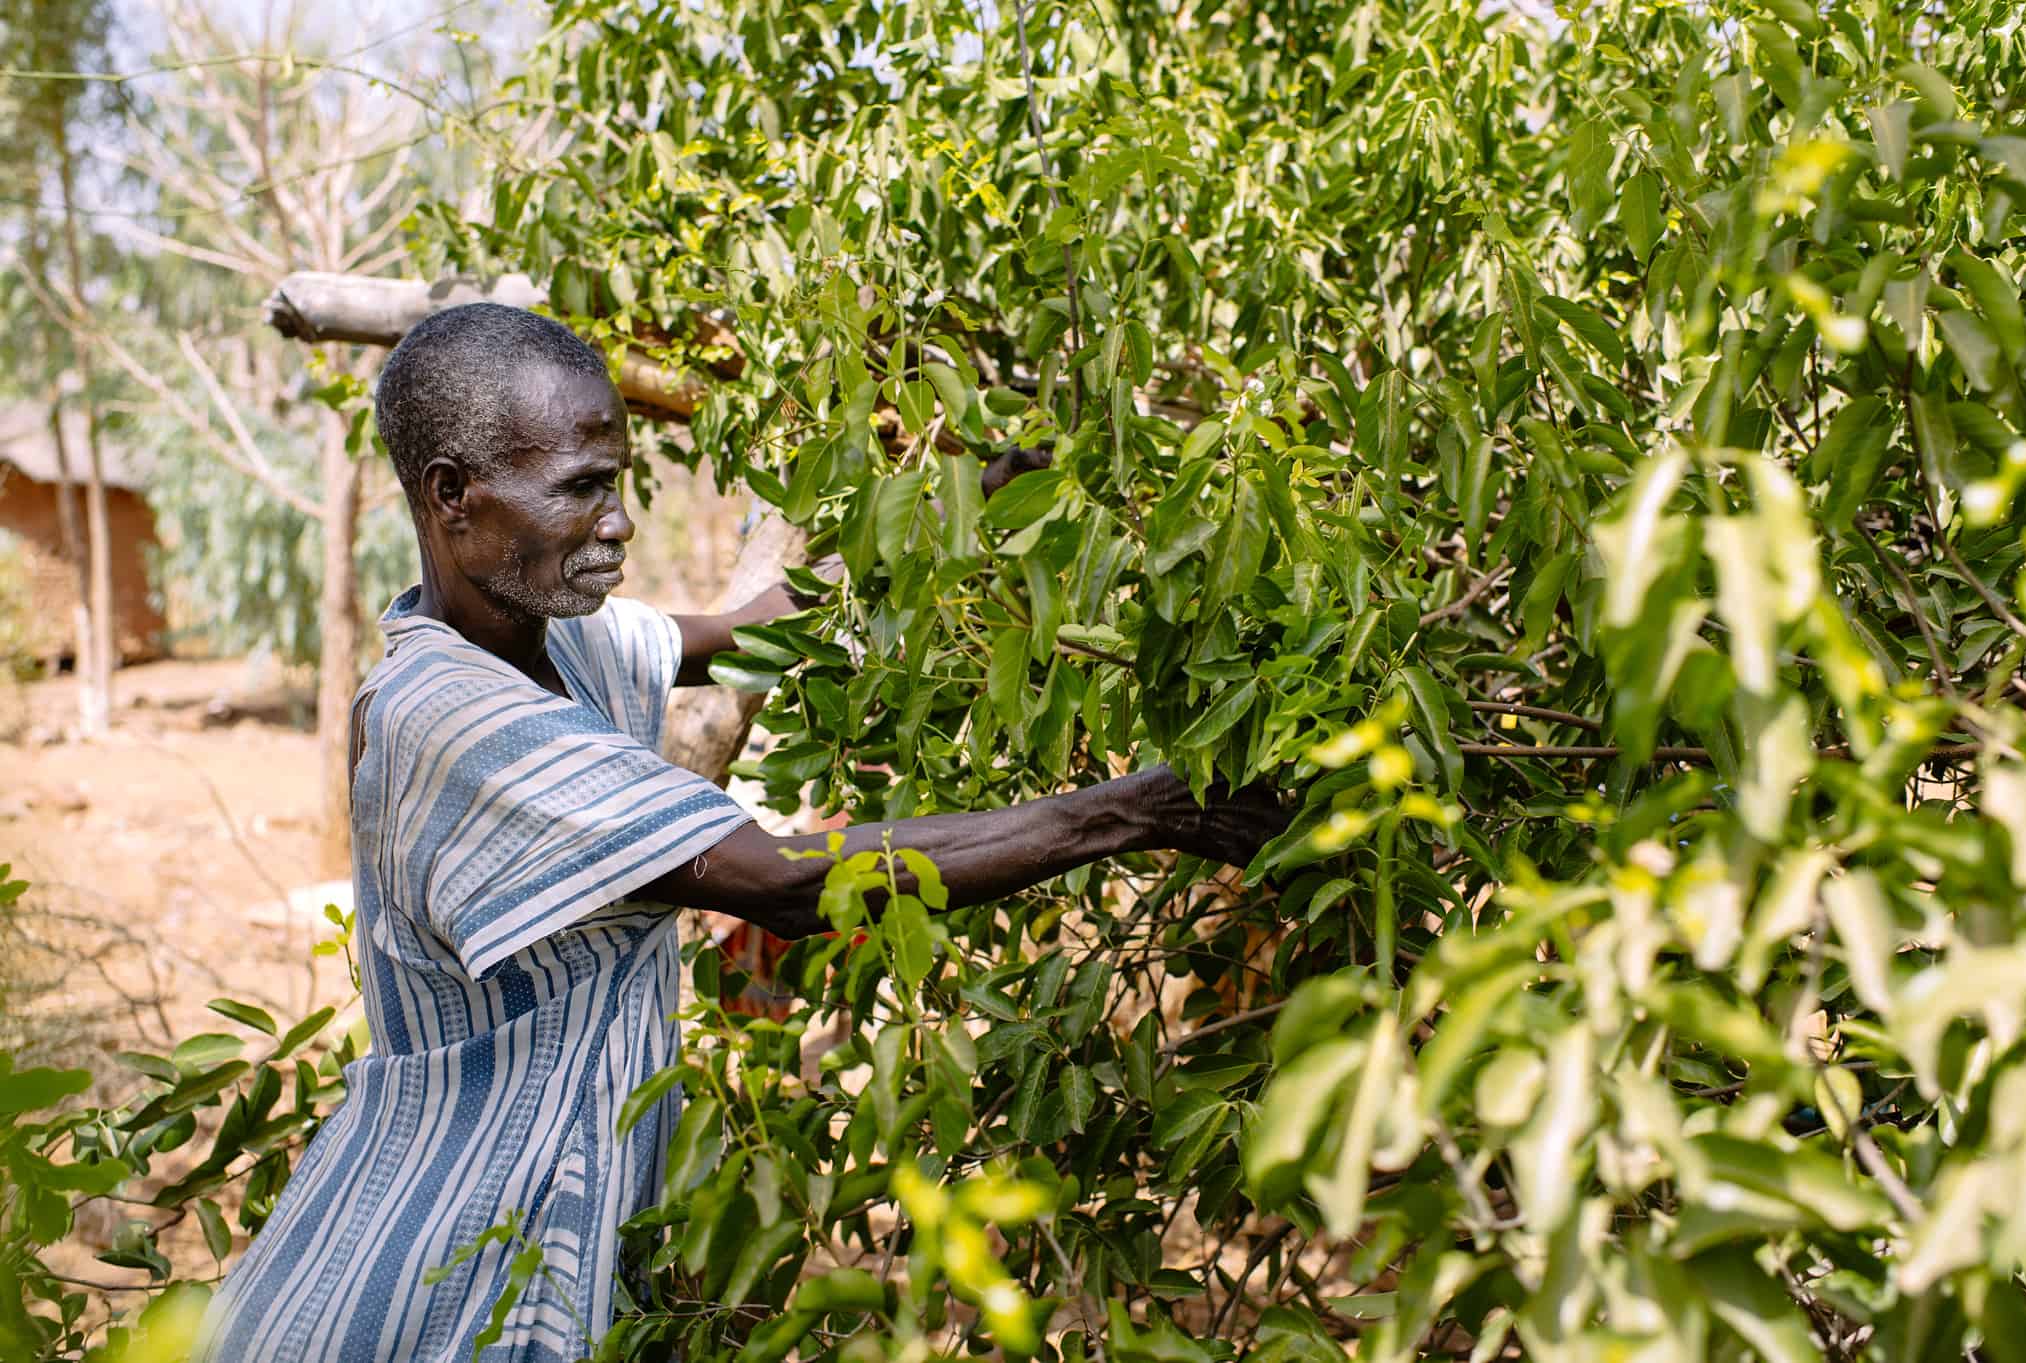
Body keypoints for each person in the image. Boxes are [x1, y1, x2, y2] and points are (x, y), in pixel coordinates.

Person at [192, 303, 1287, 1362]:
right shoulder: (456, 718)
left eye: (613, 485)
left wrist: (962, 501)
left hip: (526, 1224)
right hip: (430, 1268)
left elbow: (758, 634)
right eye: (579, 491)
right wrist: (1139, 809)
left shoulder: (546, 635)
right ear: (453, 497)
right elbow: (787, 883)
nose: (618, 522)